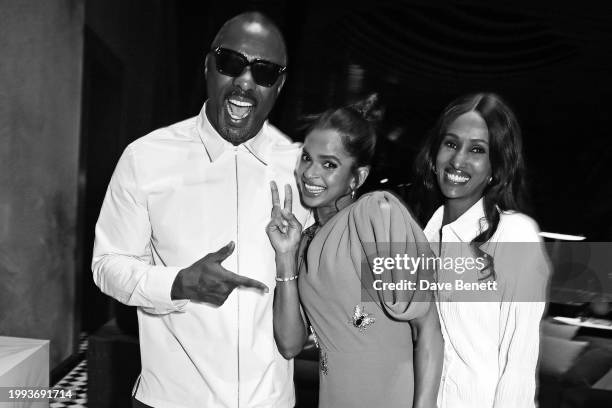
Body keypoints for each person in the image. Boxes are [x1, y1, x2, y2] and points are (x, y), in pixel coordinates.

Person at [92, 12, 310, 408]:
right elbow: (107, 264)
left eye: (263, 72)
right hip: (172, 399)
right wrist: (179, 284)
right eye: (230, 63)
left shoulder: (300, 167)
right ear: (207, 65)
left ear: (279, 85)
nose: (245, 81)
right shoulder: (147, 158)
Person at [266, 95, 443, 408]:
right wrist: (285, 256)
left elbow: (427, 327)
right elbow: (290, 343)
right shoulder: (305, 243)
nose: (310, 173)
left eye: (329, 164)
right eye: (306, 158)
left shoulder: (374, 214)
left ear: (357, 177)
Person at [414, 92, 550, 408]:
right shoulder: (422, 236)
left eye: (477, 150)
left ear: (496, 165)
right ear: (434, 154)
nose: (458, 160)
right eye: (450, 143)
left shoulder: (514, 234)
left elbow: (518, 362)